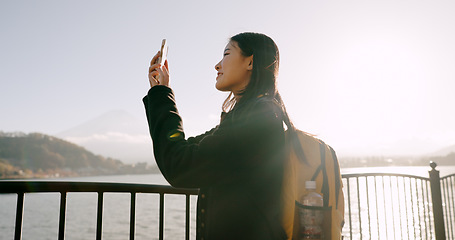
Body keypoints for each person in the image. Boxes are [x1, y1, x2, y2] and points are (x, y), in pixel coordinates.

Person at [143, 32, 298, 240]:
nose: (217, 65)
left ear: (250, 61)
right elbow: (184, 150)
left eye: (226, 54)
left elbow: (179, 164)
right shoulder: (250, 116)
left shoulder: (258, 118)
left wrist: (162, 95)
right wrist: (162, 91)